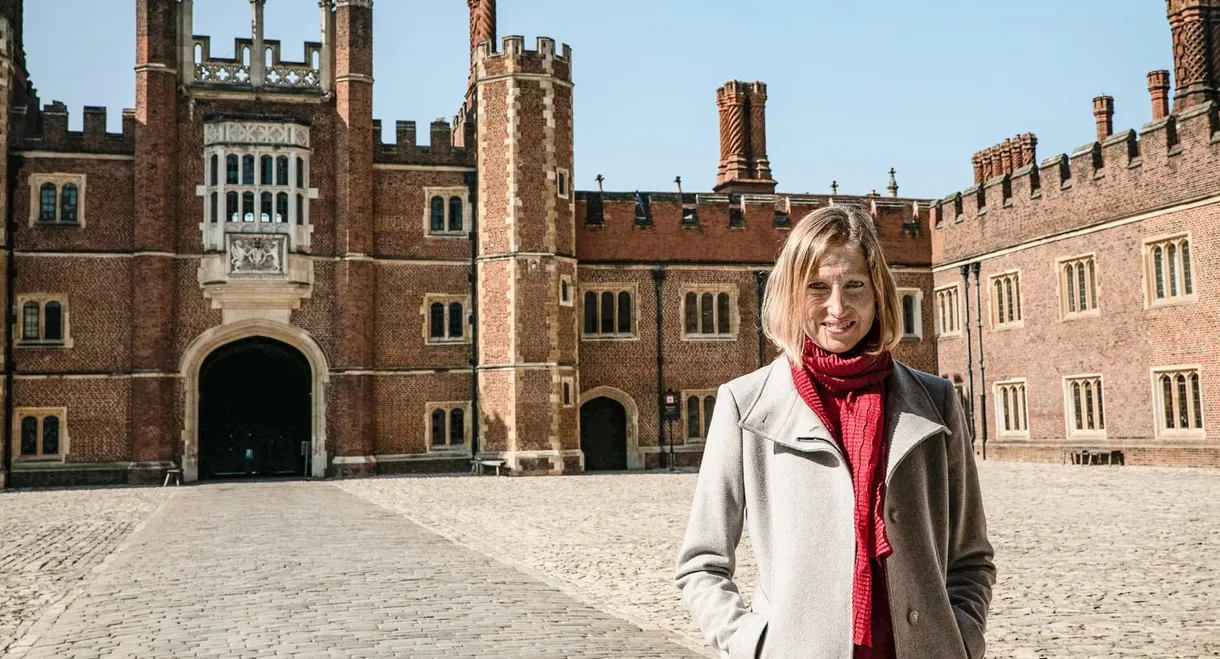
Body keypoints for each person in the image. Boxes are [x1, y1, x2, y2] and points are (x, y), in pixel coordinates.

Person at [674, 207, 995, 659]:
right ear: (791, 294)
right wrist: (753, 643)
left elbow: (971, 557)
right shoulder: (745, 405)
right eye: (818, 288)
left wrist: (962, 636)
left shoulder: (935, 400)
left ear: (878, 292)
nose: (838, 308)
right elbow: (701, 562)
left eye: (854, 286)